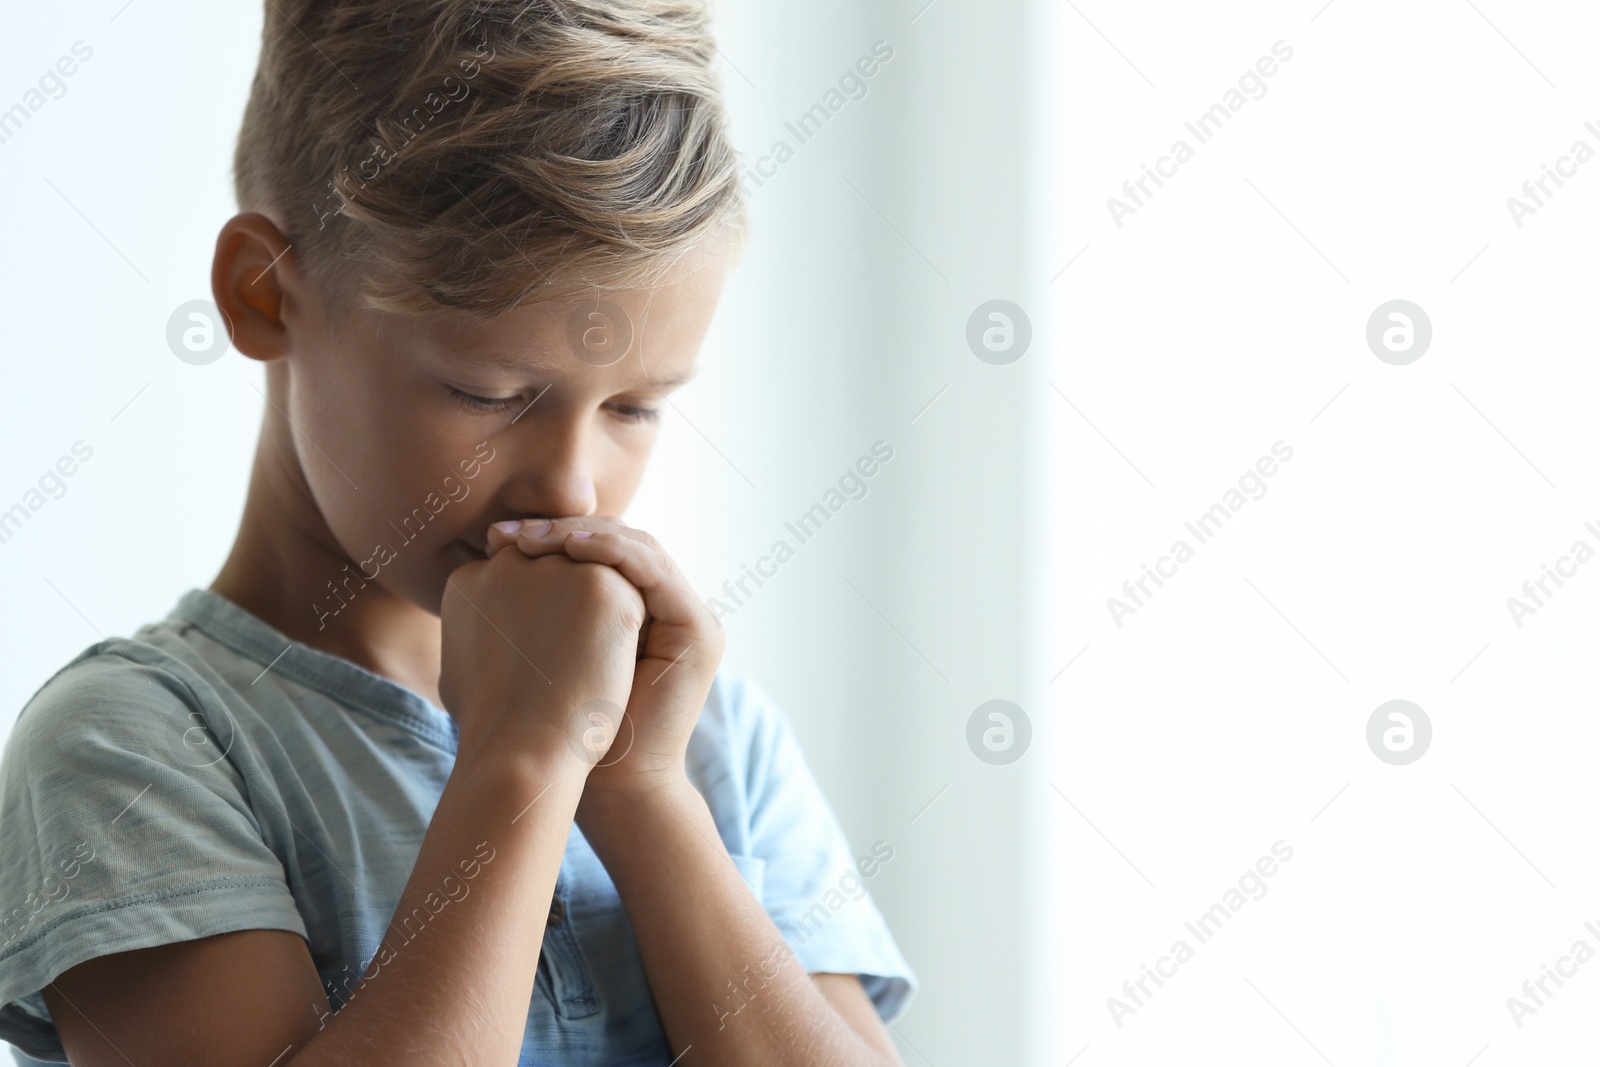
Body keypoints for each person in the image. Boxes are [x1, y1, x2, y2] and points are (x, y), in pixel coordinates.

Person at [0, 2, 915, 1063]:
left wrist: (641, 792)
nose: (572, 486)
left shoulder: (706, 738)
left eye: (634, 408)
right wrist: (524, 762)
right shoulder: (136, 749)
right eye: (491, 394)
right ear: (263, 297)